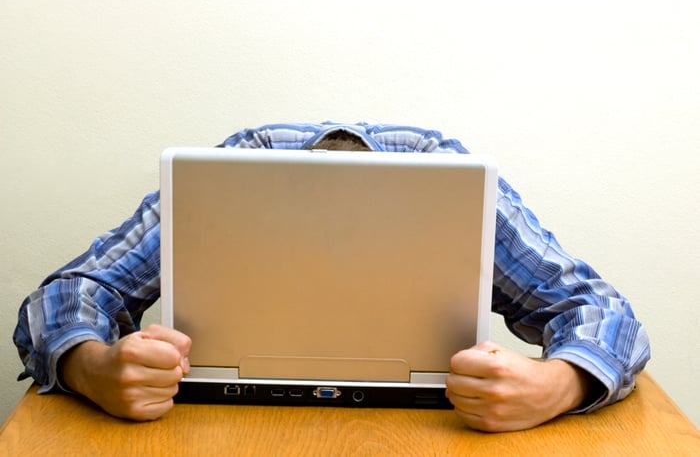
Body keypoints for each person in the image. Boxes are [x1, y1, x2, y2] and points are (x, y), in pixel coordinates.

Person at [13, 122, 650, 432]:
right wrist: (91, 368)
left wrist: (559, 384)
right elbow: (67, 295)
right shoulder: (228, 170)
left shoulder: (456, 179)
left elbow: (600, 309)